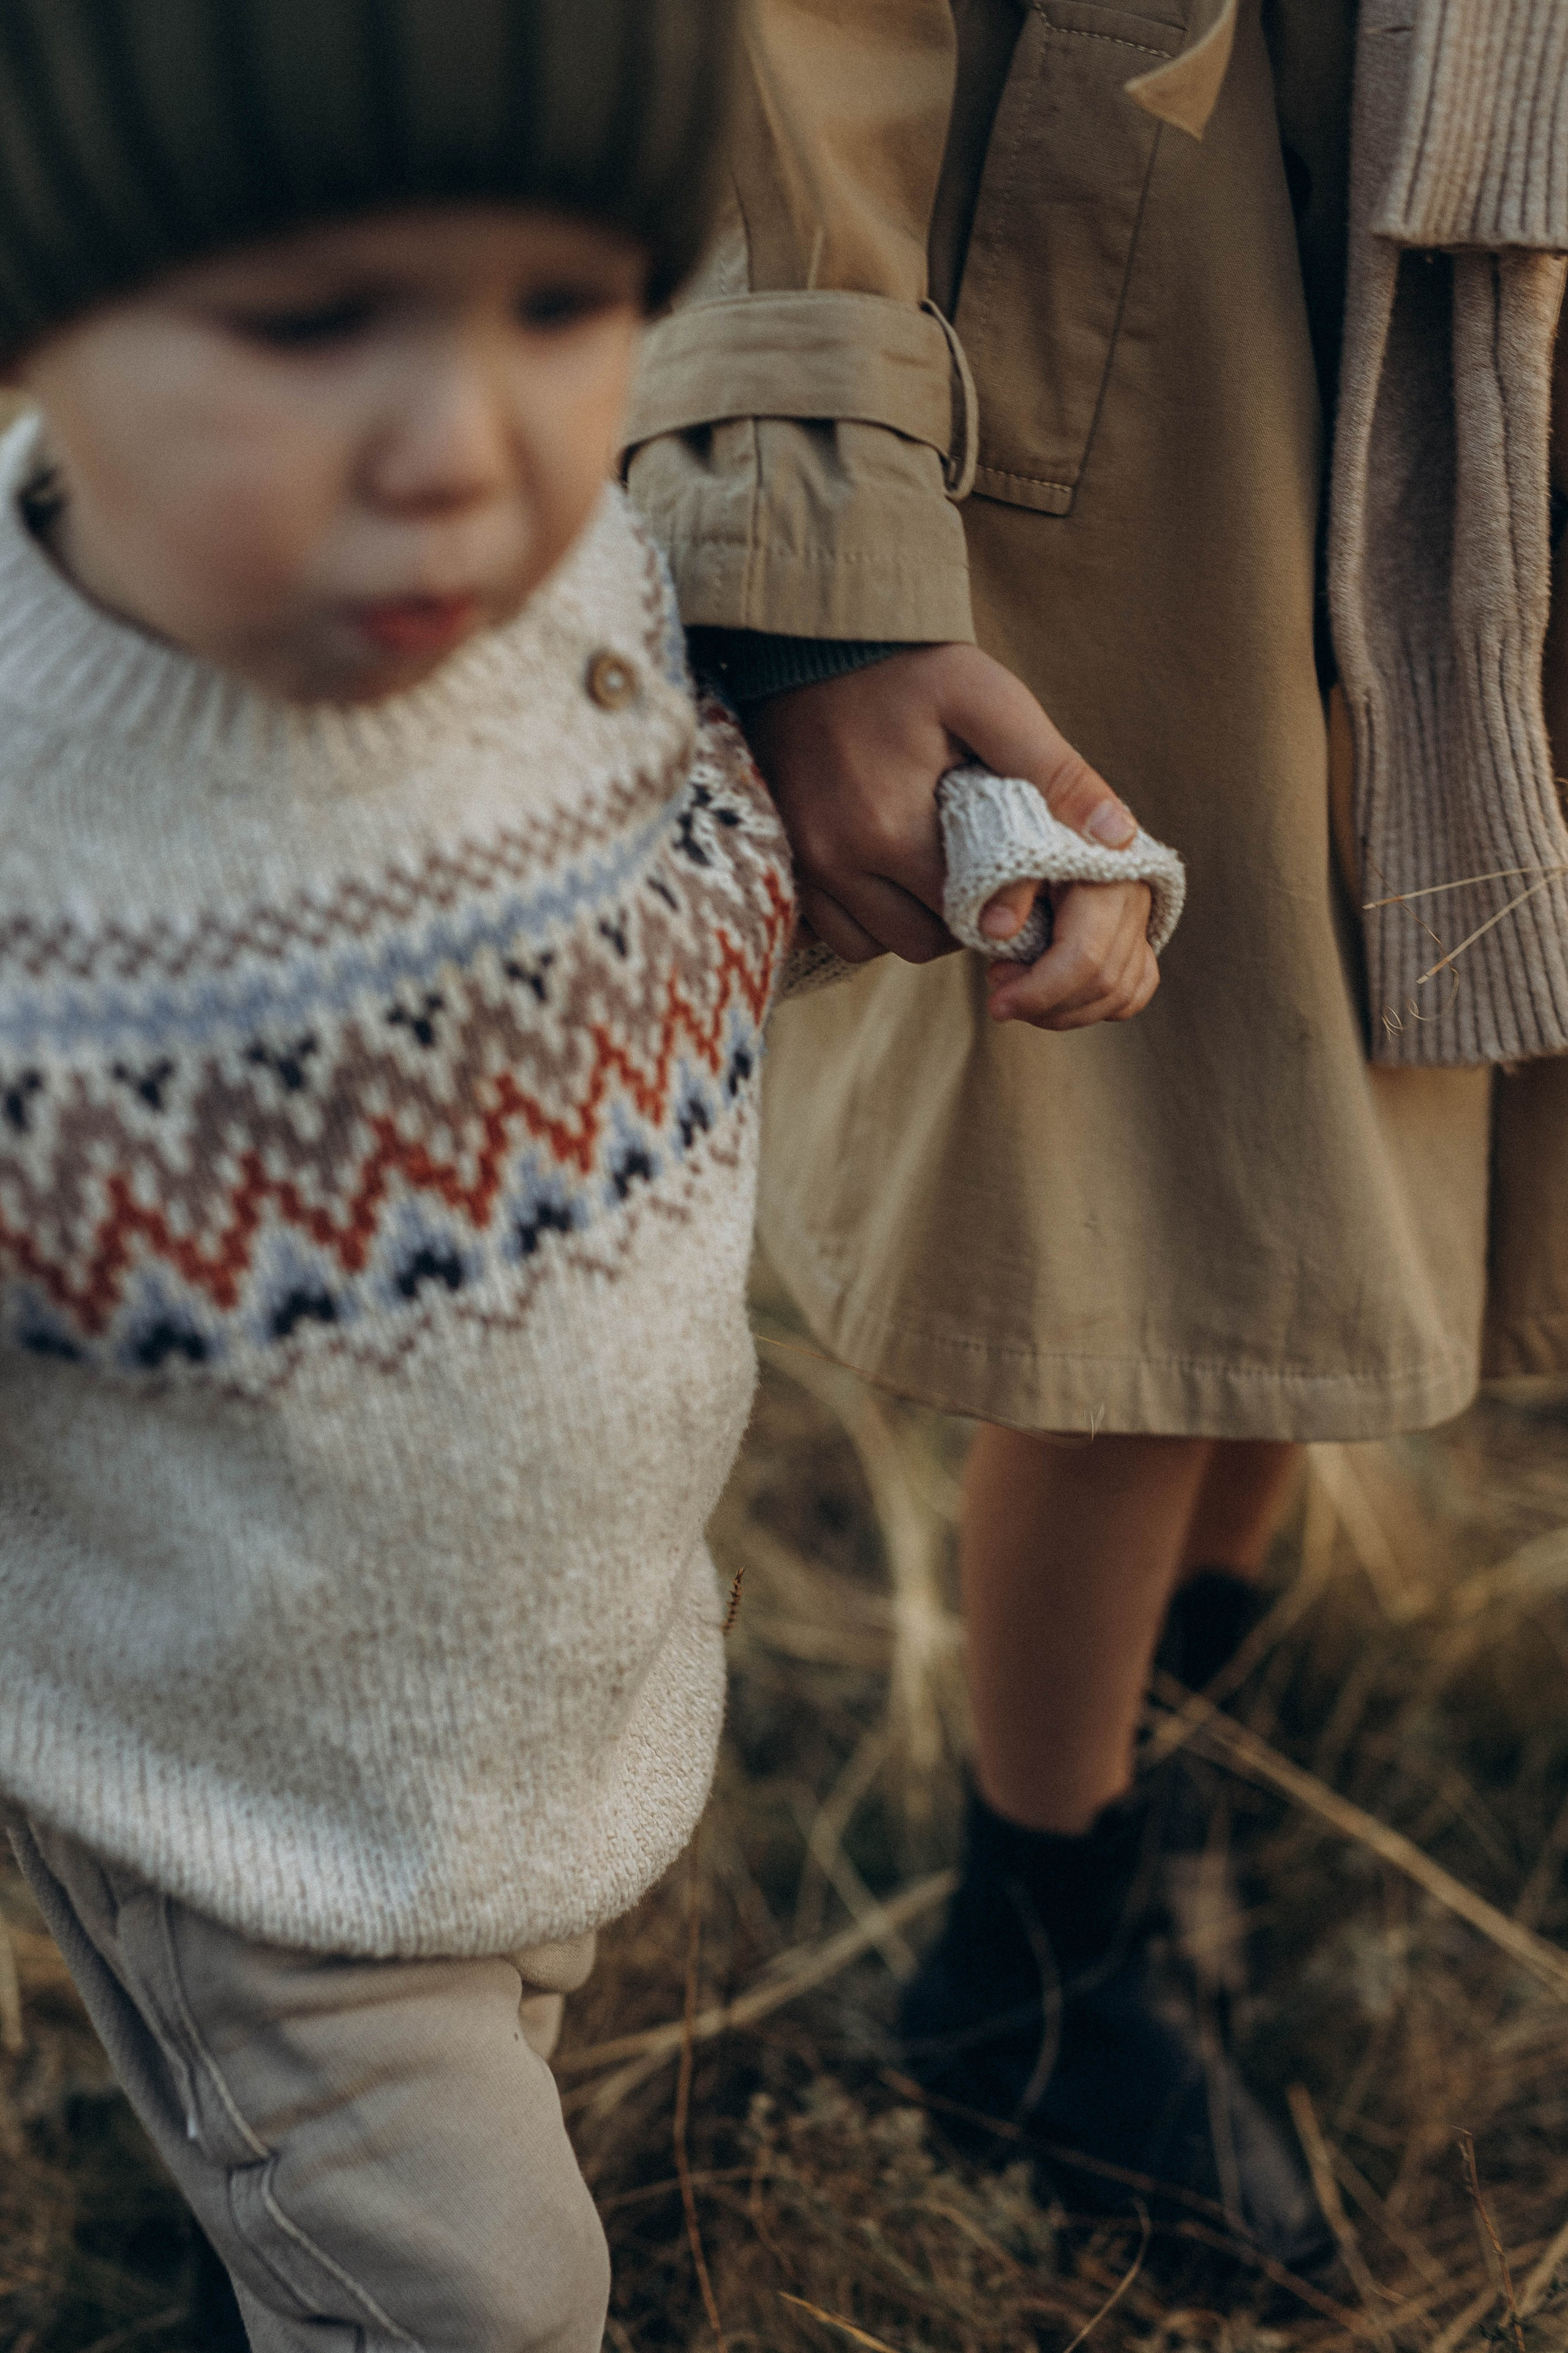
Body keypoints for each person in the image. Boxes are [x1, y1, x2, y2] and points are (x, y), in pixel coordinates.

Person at [626, 0, 1568, 2284]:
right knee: (1155, 1206)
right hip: (1144, 311)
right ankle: (1037, 1946)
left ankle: (1181, 1756)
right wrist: (815, 518)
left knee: (1351, 1145)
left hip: (1489, 291)